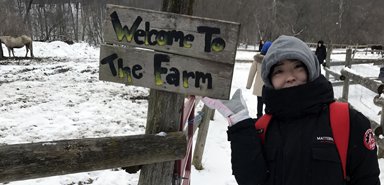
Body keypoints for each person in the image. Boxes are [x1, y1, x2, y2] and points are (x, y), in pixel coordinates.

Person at [202, 35, 380, 185]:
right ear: (270, 79)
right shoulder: (263, 127)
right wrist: (240, 124)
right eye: (279, 71)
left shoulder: (347, 121)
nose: (290, 77)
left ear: (311, 69)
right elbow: (253, 180)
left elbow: (367, 179)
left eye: (298, 67)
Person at [246, 41, 272, 118]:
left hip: (259, 87)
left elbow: (252, 73)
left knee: (259, 103)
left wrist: (248, 85)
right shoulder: (273, 60)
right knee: (268, 103)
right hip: (270, 87)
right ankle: (268, 118)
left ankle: (259, 117)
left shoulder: (257, 60)